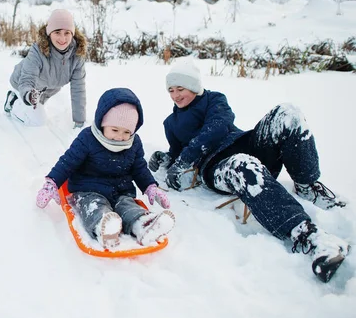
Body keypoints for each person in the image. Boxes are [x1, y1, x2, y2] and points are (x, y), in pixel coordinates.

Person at [149, 59, 349, 282]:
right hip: (218, 168)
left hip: (248, 143)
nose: (175, 95)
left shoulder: (215, 100)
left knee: (287, 113)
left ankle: (306, 185)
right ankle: (306, 235)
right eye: (171, 90)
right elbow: (178, 153)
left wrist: (185, 157)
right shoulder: (171, 123)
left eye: (180, 89)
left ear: (194, 87)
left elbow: (218, 126)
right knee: (242, 165)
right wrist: (168, 158)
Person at [36, 88, 175, 249]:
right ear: (102, 123)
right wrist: (51, 183)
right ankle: (104, 227)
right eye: (114, 130)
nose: (120, 137)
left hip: (121, 191)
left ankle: (143, 225)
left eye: (127, 132)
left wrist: (150, 187)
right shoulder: (87, 138)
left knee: (127, 206)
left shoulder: (134, 143)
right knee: (94, 206)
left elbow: (139, 168)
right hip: (88, 189)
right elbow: (68, 162)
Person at [4, 9, 87, 127]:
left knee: (37, 111)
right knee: (37, 121)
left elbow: (78, 89)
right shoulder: (38, 51)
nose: (63, 39)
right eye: (57, 32)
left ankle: (31, 105)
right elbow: (27, 79)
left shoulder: (77, 55)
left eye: (67, 33)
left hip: (46, 89)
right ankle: (12, 102)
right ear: (49, 33)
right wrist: (28, 95)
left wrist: (79, 121)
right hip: (24, 86)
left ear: (72, 33)